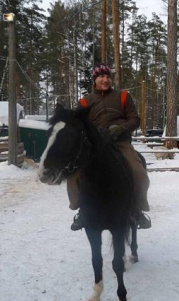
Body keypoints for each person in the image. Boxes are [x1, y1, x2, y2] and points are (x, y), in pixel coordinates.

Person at [68, 63, 151, 231]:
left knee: (139, 173)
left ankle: (137, 209)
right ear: (95, 80)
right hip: (95, 145)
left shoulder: (123, 97)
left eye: (108, 76)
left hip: (120, 143)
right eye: (101, 77)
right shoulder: (85, 101)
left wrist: (120, 128)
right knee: (73, 175)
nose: (105, 80)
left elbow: (135, 119)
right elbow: (78, 124)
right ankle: (81, 210)